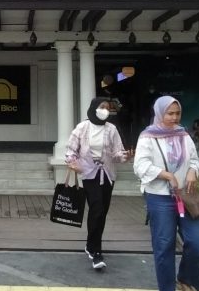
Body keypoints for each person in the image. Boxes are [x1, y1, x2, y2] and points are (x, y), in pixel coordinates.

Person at [134, 96, 199, 291]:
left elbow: (193, 160)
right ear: (159, 113)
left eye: (177, 113)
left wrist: (193, 171)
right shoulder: (147, 137)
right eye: (170, 113)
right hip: (159, 197)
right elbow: (140, 165)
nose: (174, 118)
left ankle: (186, 279)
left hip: (187, 195)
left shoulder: (184, 135)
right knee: (164, 245)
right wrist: (165, 174)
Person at [65, 97, 132, 271]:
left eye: (108, 108)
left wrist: (125, 155)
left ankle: (90, 244)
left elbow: (117, 152)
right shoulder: (82, 127)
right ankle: (97, 252)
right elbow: (71, 149)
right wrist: (72, 162)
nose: (105, 110)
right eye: (102, 107)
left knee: (102, 211)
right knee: (97, 208)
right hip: (88, 174)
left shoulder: (111, 129)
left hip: (107, 174)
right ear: (94, 108)